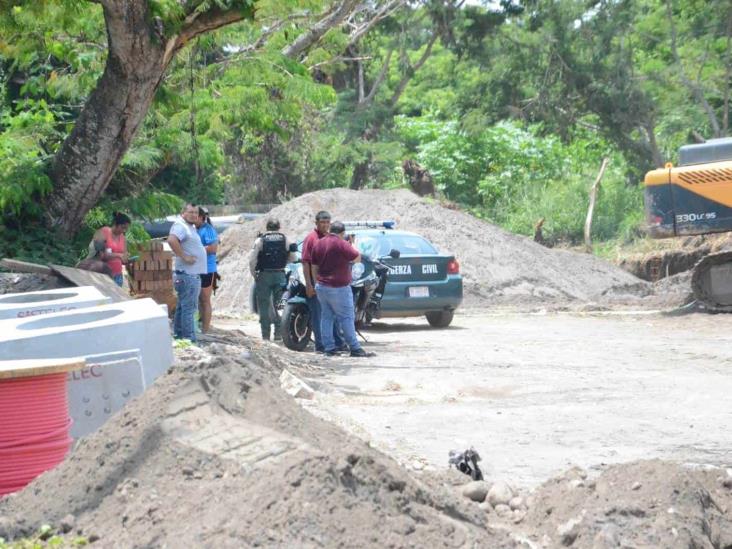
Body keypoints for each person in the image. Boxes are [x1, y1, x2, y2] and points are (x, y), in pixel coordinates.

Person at [310, 221, 374, 358]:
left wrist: (317, 282)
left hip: (322, 287)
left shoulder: (319, 243)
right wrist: (351, 243)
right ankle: (355, 348)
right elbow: (357, 258)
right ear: (342, 233)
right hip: (338, 287)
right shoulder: (341, 243)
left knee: (326, 317)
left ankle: (329, 348)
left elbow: (314, 266)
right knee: (346, 317)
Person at [301, 211, 346, 353]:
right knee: (319, 315)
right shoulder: (311, 239)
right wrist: (309, 285)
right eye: (322, 222)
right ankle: (321, 345)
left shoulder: (330, 237)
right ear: (316, 223)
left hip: (331, 284)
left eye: (327, 222)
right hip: (317, 285)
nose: (325, 225)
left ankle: (337, 343)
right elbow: (306, 263)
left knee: (332, 315)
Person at [248, 218, 295, 340]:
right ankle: (278, 334)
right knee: (280, 305)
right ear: (279, 227)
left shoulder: (260, 240)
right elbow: (293, 258)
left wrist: (255, 274)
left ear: (267, 227)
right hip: (280, 275)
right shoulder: (285, 239)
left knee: (264, 306)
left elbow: (252, 259)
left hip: (264, 275)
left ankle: (265, 335)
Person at [168, 203, 207, 342]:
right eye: (190, 212)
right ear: (183, 212)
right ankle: (189, 339)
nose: (194, 215)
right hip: (188, 275)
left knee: (182, 307)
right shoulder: (181, 226)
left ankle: (179, 336)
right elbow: (172, 240)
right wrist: (184, 256)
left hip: (188, 275)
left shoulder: (189, 227)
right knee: (189, 309)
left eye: (196, 213)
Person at [195, 206, 218, 333]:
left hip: (207, 269)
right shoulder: (194, 229)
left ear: (202, 217)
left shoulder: (208, 230)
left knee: (205, 299)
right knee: (196, 299)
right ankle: (197, 326)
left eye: (195, 216)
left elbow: (213, 249)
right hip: (195, 268)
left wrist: (195, 250)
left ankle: (205, 329)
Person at [93, 212, 131, 287]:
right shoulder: (104, 232)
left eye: (126, 229)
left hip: (118, 275)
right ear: (116, 224)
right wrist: (119, 255)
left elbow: (124, 257)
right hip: (104, 275)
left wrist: (126, 259)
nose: (124, 231)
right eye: (122, 227)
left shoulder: (123, 238)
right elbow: (102, 255)